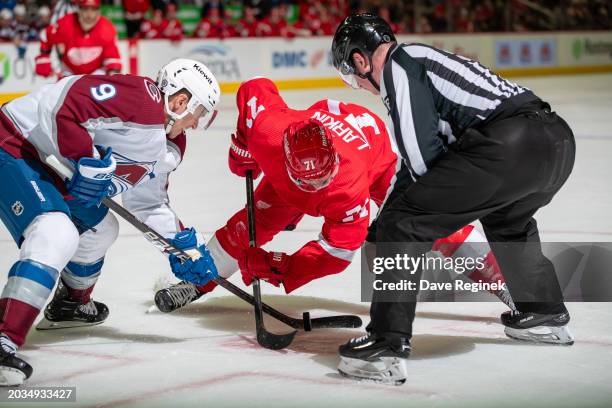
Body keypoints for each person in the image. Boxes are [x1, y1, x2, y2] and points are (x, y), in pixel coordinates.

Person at [331, 14, 576, 384]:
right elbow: (427, 157)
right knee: (508, 221)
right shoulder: (420, 62)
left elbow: (422, 158)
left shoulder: (398, 65)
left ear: (361, 60)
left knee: (404, 223)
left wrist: (390, 225)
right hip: (555, 142)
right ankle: (543, 313)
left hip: (508, 146)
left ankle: (386, 344)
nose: (357, 86)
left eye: (351, 76)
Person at [154, 78, 514, 315]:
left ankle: (506, 281)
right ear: (284, 156)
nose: (313, 189)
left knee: (431, 223)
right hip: (299, 160)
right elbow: (254, 89)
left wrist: (280, 267)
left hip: (377, 157)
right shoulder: (269, 133)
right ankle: (197, 280)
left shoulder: (348, 187)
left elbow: (335, 253)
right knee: (248, 224)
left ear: (333, 163)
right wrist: (244, 145)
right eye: (306, 181)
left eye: (320, 179)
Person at [0, 58, 220, 385]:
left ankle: (70, 306)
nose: (193, 124)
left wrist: (184, 247)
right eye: (197, 114)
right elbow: (66, 105)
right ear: (180, 100)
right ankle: (5, 336)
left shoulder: (169, 146)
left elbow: (147, 202)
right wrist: (84, 159)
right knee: (55, 230)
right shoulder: (142, 98)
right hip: (16, 143)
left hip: (51, 168)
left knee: (101, 228)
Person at [35, 0, 122, 80]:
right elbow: (45, 35)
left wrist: (113, 75)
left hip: (97, 73)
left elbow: (112, 57)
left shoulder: (107, 28)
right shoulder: (66, 24)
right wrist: (44, 58)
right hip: (69, 72)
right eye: (85, 9)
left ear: (99, 11)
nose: (89, 15)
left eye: (93, 9)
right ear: (79, 10)